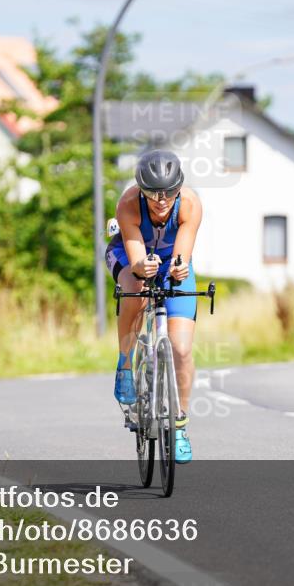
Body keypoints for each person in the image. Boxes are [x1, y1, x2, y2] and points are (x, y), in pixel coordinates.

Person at [105, 149, 202, 464]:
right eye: (153, 193)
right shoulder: (128, 204)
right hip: (130, 258)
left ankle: (180, 425)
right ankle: (125, 364)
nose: (162, 200)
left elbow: (182, 254)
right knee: (137, 289)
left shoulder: (190, 204)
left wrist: (179, 268)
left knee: (182, 349)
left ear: (179, 187)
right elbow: (135, 260)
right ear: (140, 190)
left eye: (169, 192)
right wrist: (140, 268)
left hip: (170, 263)